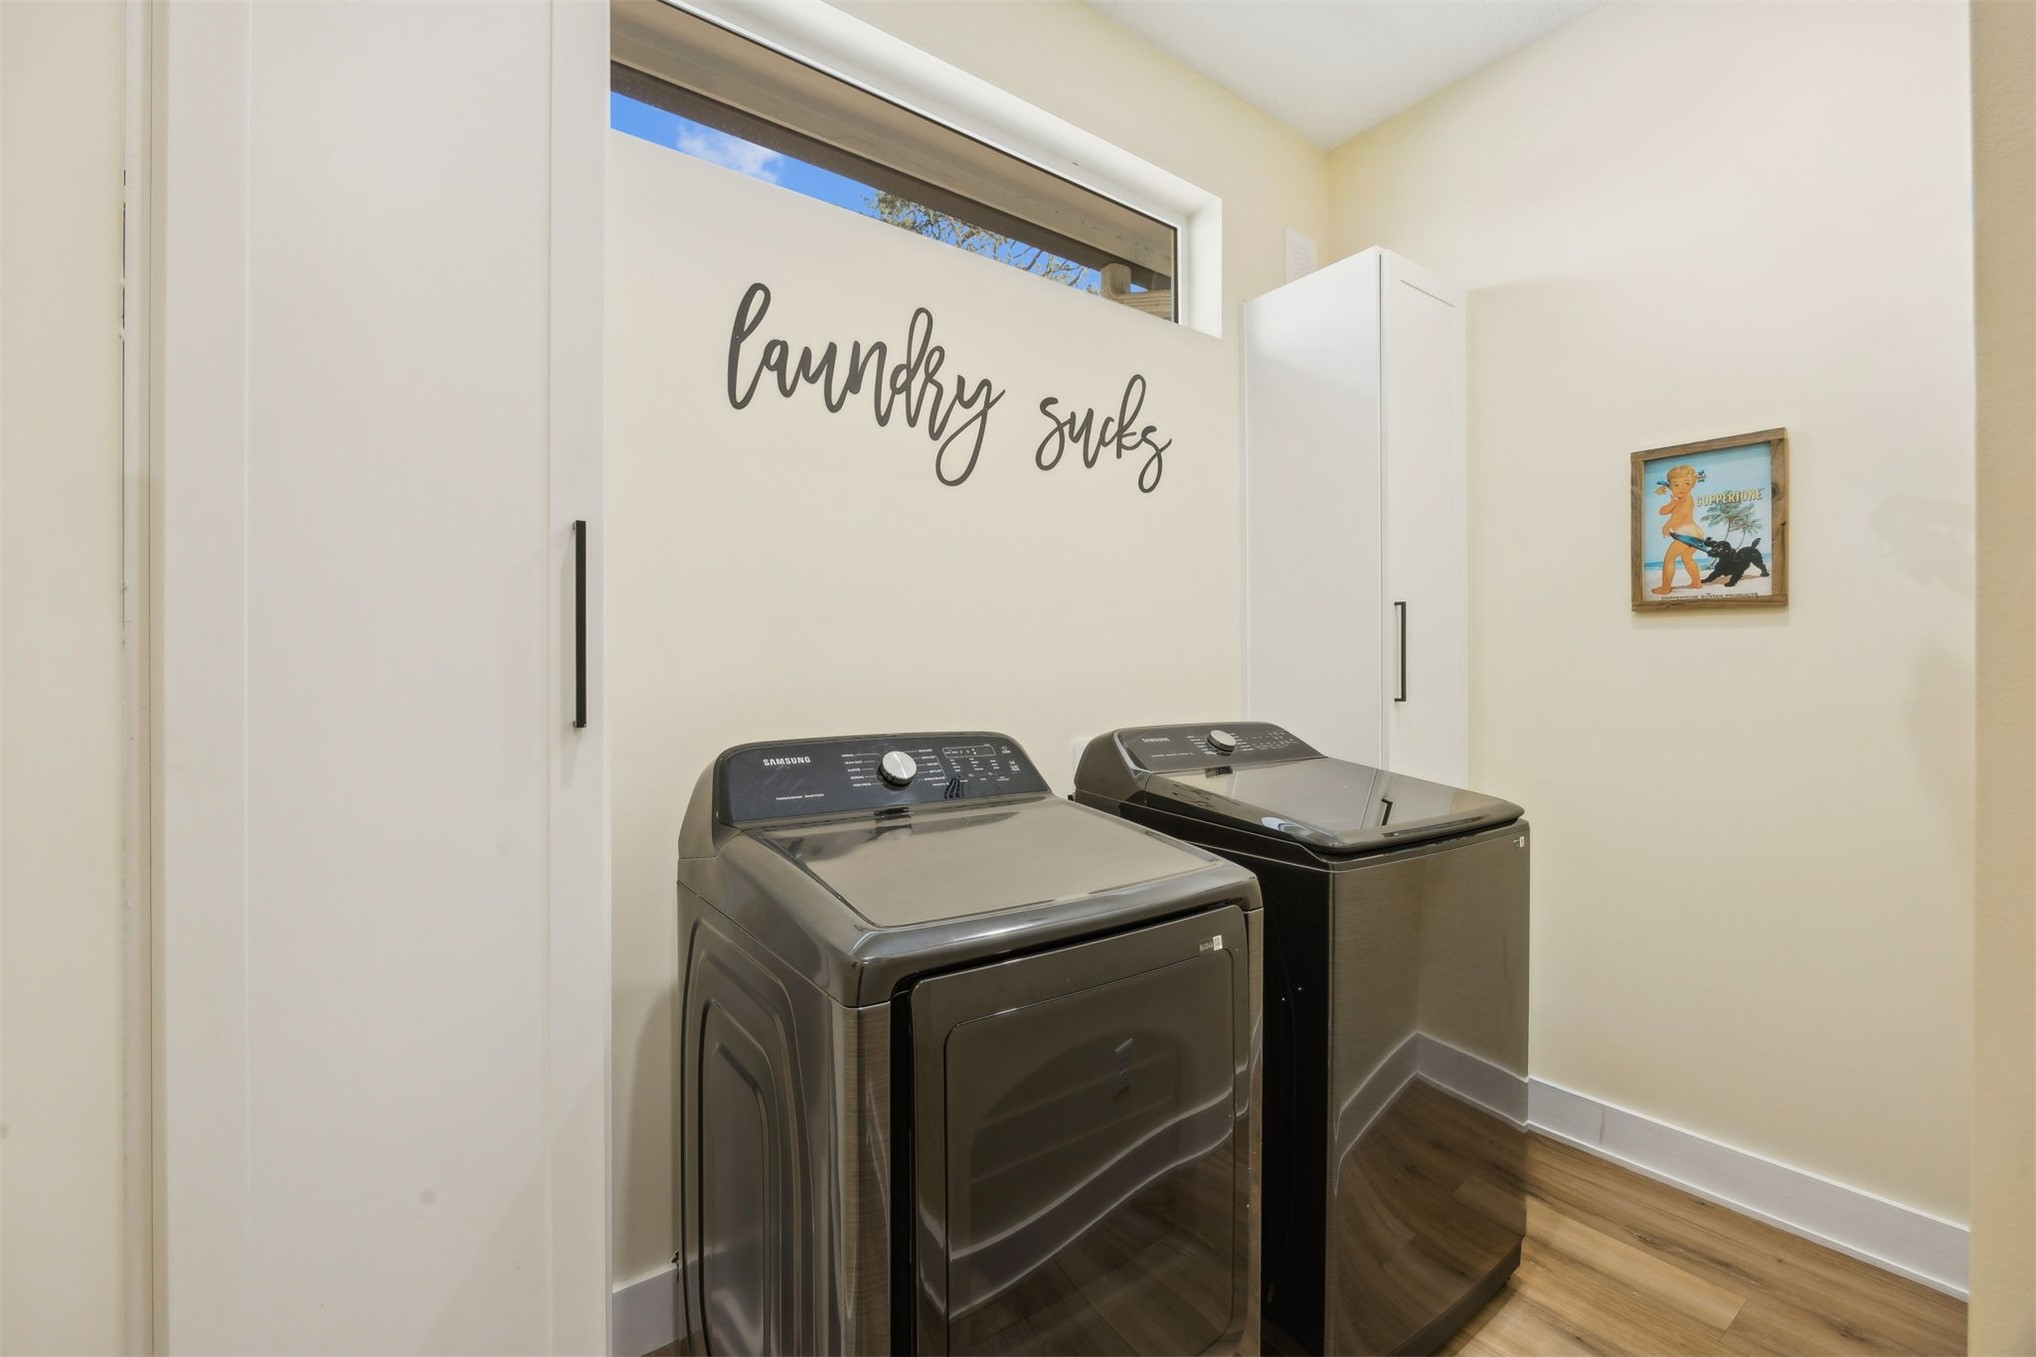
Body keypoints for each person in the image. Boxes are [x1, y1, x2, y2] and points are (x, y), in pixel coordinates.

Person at [1654, 464, 1703, 595]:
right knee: (1687, 557)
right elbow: (1661, 511)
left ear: (1692, 485)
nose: (1681, 488)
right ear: (1669, 486)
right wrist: (1672, 503)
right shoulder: (1678, 500)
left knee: (1669, 558)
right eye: (1676, 485)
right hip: (1695, 533)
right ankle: (1696, 582)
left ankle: (1665, 589)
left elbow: (1680, 516)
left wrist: (1666, 526)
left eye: (1686, 484)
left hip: (1687, 532)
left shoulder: (1687, 498)